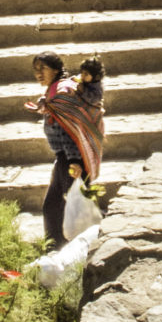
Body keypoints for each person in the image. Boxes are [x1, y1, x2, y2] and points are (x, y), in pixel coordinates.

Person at [24, 52, 104, 250]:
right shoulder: (56, 90)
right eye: (36, 70)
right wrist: (44, 101)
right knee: (55, 205)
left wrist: (75, 160)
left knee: (77, 206)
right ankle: (56, 246)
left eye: (43, 69)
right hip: (64, 157)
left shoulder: (62, 92)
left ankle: (79, 247)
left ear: (56, 69)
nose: (39, 74)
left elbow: (70, 128)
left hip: (70, 158)